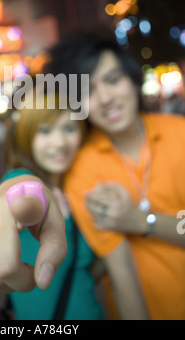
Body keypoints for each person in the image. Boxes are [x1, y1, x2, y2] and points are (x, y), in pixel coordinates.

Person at [45, 32, 185, 320]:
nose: (105, 99)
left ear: (133, 80)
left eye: (112, 80)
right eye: (87, 91)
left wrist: (141, 221)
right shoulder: (82, 167)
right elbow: (120, 272)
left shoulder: (180, 134)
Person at [0, 84, 104, 320]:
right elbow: (21, 190)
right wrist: (21, 199)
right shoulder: (22, 180)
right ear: (26, 136)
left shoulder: (82, 187)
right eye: (45, 130)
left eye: (69, 128)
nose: (59, 142)